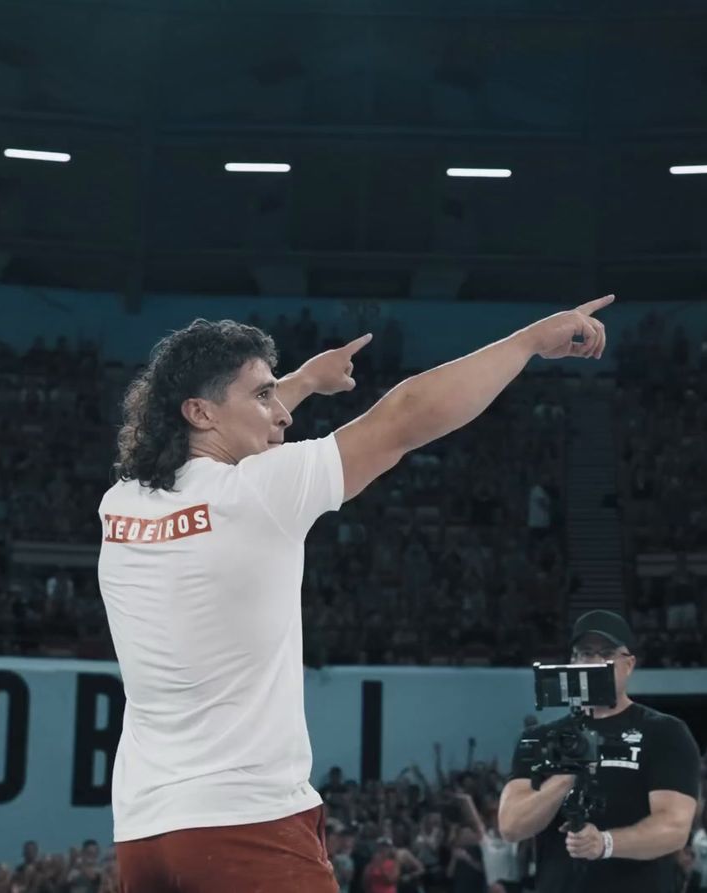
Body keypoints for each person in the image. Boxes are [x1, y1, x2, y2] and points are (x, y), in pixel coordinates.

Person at [101, 298, 616, 892]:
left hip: (143, 834)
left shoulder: (123, 501)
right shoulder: (259, 491)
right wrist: (527, 341)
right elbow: (405, 415)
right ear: (200, 411)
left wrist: (301, 383)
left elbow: (213, 434)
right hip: (245, 826)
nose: (282, 414)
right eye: (263, 396)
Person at [497, 610, 700, 892]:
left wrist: (606, 843)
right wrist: (566, 776)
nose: (593, 662)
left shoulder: (664, 732)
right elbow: (511, 826)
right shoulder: (539, 739)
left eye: (606, 653)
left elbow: (674, 828)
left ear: (628, 664)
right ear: (572, 662)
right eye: (584, 653)